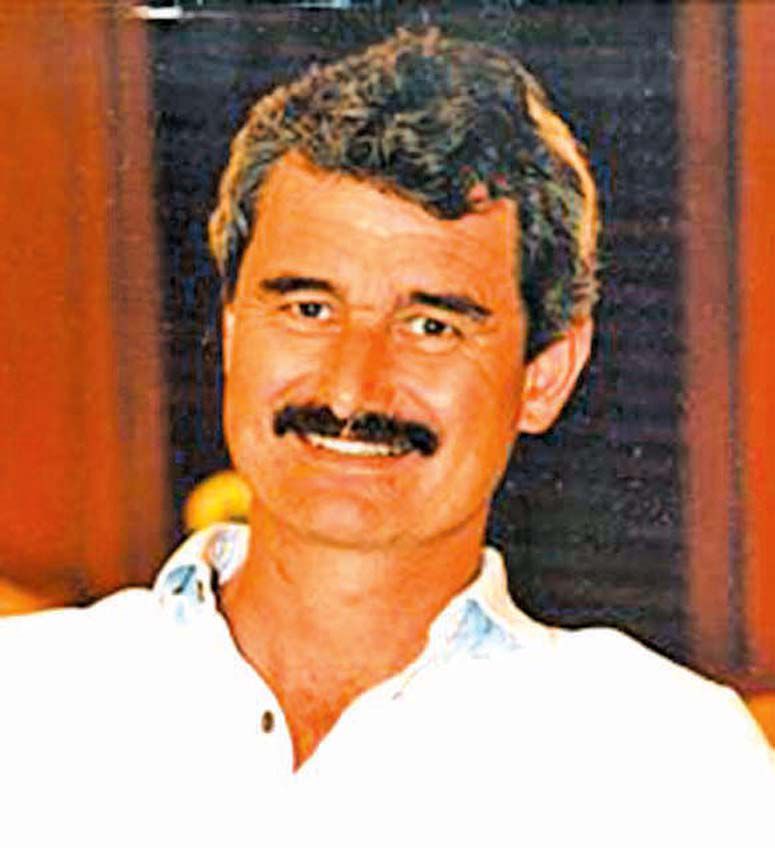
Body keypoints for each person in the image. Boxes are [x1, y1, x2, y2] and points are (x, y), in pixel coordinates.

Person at [1, 28, 772, 847]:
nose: (350, 388)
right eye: (307, 308)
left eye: (431, 325)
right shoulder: (23, 704)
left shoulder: (675, 768)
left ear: (543, 375)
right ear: (231, 333)